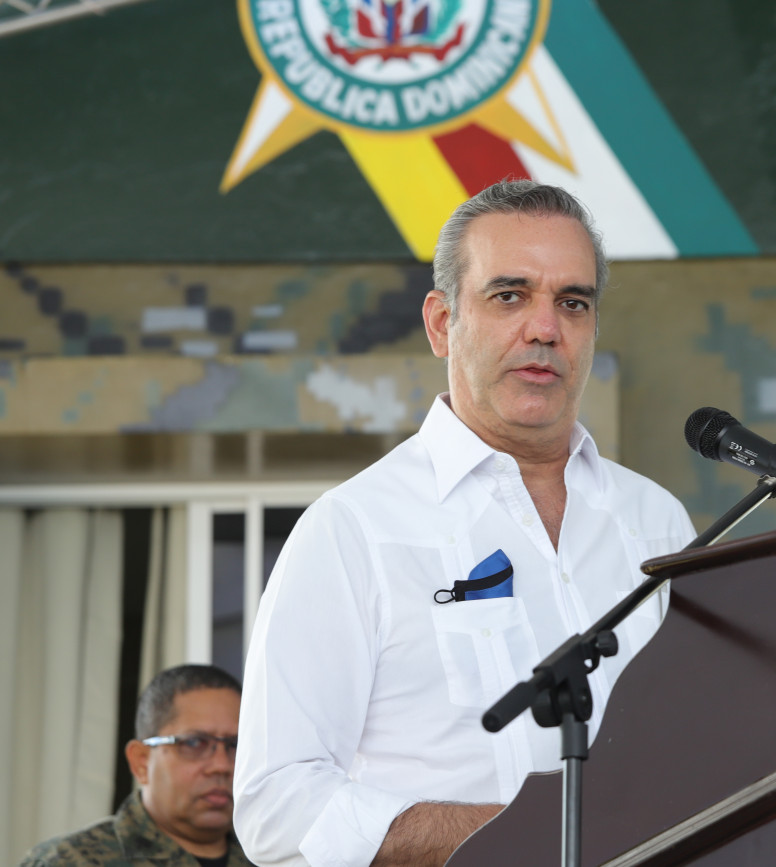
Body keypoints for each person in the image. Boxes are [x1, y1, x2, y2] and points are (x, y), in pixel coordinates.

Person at [233, 180, 695, 867]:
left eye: (573, 302)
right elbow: (277, 803)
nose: (545, 329)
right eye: (509, 296)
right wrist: (529, 834)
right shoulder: (355, 529)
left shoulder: (655, 521)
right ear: (441, 322)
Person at [20, 665, 249, 867]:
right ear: (141, 761)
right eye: (194, 743)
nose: (222, 765)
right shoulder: (68, 861)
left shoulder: (264, 856)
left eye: (236, 745)